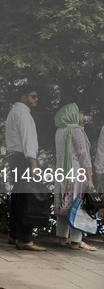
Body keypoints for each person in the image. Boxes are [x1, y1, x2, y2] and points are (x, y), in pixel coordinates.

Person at [5, 85, 45, 251]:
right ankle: (25, 239)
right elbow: (28, 141)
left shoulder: (13, 112)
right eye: (33, 96)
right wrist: (34, 166)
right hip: (24, 159)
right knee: (27, 199)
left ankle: (14, 235)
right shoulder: (23, 114)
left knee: (17, 198)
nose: (36, 99)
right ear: (23, 97)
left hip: (15, 158)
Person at [53, 103, 96, 251]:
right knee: (77, 207)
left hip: (62, 176)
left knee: (64, 206)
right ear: (74, 114)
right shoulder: (75, 130)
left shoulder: (59, 130)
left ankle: (62, 238)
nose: (82, 116)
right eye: (81, 113)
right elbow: (83, 156)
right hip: (76, 176)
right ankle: (76, 241)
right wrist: (90, 178)